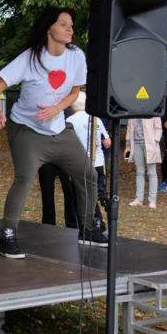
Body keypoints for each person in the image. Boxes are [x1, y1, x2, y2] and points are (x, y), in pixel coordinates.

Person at [0, 7, 106, 259]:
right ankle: (7, 233)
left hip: (59, 130)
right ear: (49, 28)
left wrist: (56, 108)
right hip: (27, 130)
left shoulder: (76, 56)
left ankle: (87, 228)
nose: (70, 29)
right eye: (64, 24)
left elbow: (75, 92)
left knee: (88, 174)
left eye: (71, 24)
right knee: (24, 178)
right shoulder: (31, 57)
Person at [65, 91, 110, 232]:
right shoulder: (96, 118)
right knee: (97, 193)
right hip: (99, 163)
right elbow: (107, 143)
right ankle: (101, 220)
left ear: (72, 104)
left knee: (84, 194)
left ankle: (96, 224)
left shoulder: (70, 121)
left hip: (82, 163)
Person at [126, 116, 163, 209]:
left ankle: (152, 200)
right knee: (140, 171)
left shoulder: (152, 108)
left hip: (150, 144)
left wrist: (155, 140)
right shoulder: (134, 110)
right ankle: (139, 199)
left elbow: (158, 128)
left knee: (152, 172)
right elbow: (129, 128)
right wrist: (128, 144)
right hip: (136, 144)